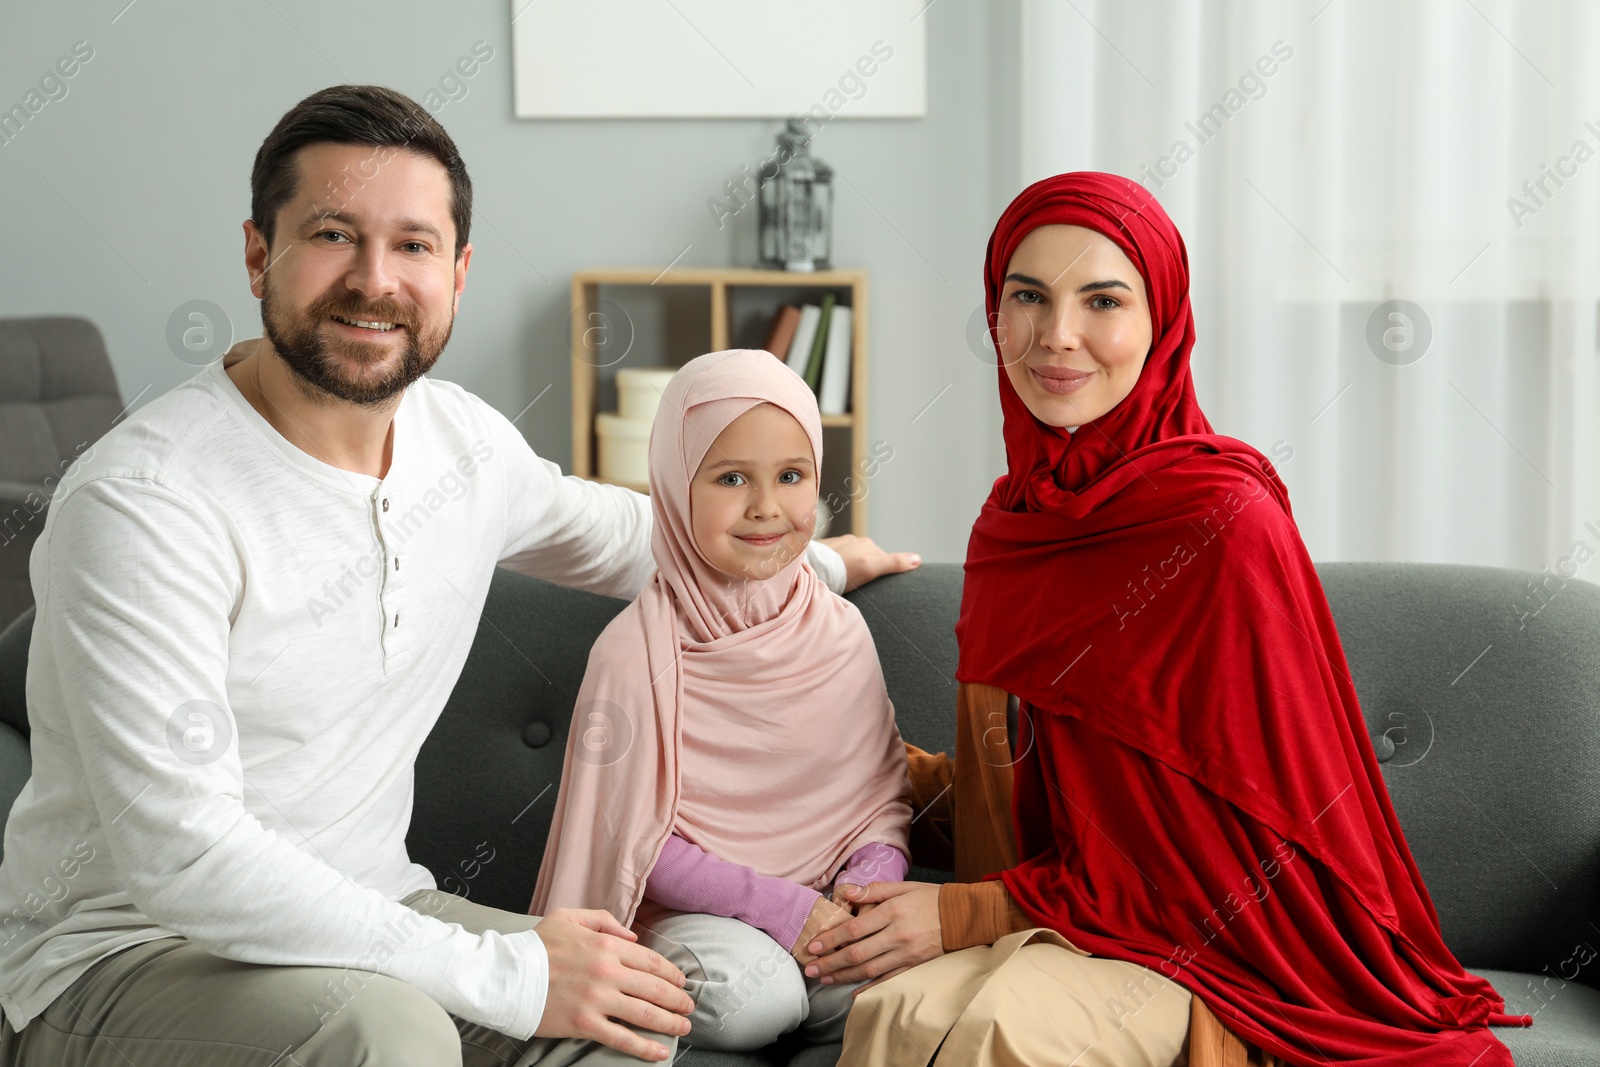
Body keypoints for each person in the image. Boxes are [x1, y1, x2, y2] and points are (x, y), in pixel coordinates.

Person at [0, 85, 918, 1067]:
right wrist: (514, 977)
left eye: (413, 245)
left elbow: (623, 534)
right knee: (390, 1032)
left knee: (638, 1003)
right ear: (259, 252)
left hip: (375, 907)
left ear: (459, 271)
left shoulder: (460, 445)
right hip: (125, 958)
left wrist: (811, 557)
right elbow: (185, 854)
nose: (374, 279)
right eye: (332, 235)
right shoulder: (146, 498)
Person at [801, 172, 1531, 1066]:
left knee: (997, 1036)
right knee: (895, 1017)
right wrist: (853, 758)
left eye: (1102, 299)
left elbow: (1236, 853)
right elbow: (1042, 793)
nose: (1056, 336)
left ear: (1164, 321)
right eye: (1026, 297)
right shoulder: (1011, 527)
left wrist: (968, 910)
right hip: (1075, 913)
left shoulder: (1222, 523)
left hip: (1217, 950)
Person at [532, 349, 913, 1053]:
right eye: (732, 477)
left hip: (827, 907)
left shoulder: (838, 630)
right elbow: (632, 840)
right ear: (676, 487)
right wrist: (785, 909)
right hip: (689, 915)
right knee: (750, 995)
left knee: (900, 988)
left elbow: (880, 800)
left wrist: (864, 897)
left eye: (792, 476)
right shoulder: (632, 654)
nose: (767, 506)